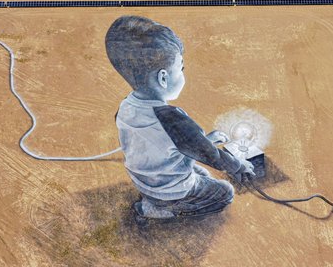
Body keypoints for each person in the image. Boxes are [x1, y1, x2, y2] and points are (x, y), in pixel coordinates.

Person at [105, 15, 254, 221]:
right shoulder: (171, 118)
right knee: (225, 192)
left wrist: (205, 139)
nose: (183, 74)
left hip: (143, 180)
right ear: (163, 78)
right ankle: (161, 211)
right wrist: (238, 166)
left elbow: (163, 142)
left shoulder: (125, 106)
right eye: (181, 68)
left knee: (201, 174)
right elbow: (211, 155)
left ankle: (155, 200)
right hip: (167, 190)